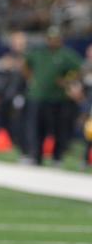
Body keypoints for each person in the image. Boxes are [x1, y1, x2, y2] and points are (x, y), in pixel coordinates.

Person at [23, 26, 83, 166]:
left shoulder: (66, 55)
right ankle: (36, 156)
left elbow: (80, 69)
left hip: (58, 98)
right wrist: (31, 78)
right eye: (51, 39)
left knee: (58, 129)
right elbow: (25, 65)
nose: (53, 41)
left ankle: (57, 157)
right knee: (37, 128)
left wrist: (67, 80)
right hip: (38, 96)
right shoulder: (38, 53)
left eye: (56, 39)